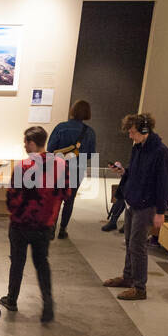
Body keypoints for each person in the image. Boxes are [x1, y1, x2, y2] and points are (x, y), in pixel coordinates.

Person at [102, 112, 168, 301]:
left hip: (147, 205)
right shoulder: (138, 148)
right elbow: (134, 172)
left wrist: (160, 211)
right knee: (129, 243)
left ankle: (140, 288)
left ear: (144, 130)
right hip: (132, 201)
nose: (130, 136)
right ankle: (128, 278)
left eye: (133, 132)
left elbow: (164, 184)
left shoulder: (160, 152)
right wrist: (123, 171)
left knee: (138, 246)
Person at [1, 126, 68, 324]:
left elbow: (12, 196)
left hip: (21, 224)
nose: (24, 145)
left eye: (25, 142)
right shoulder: (61, 165)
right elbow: (66, 194)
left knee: (17, 262)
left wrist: (13, 212)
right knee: (42, 263)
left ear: (31, 143)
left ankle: (12, 299)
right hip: (44, 225)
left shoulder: (23, 167)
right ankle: (48, 302)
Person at [46, 99, 96, 238]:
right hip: (77, 170)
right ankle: (63, 230)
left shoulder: (61, 128)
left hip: (59, 169)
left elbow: (50, 149)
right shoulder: (90, 132)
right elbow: (91, 154)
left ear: (72, 110)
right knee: (70, 200)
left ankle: (51, 228)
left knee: (56, 198)